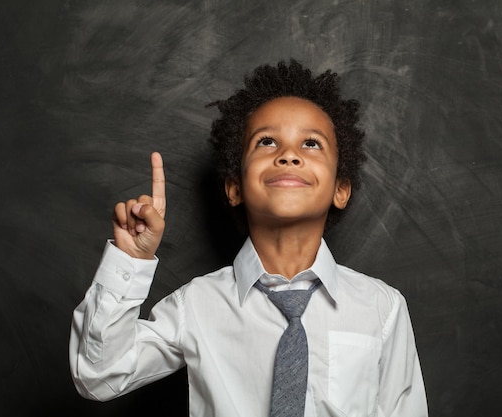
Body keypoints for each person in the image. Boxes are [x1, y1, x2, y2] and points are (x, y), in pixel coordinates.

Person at [69, 59, 428, 417]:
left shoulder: (382, 308)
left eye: (312, 144)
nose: (289, 155)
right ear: (235, 187)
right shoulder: (197, 305)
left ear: (341, 189)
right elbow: (98, 375)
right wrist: (132, 259)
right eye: (267, 142)